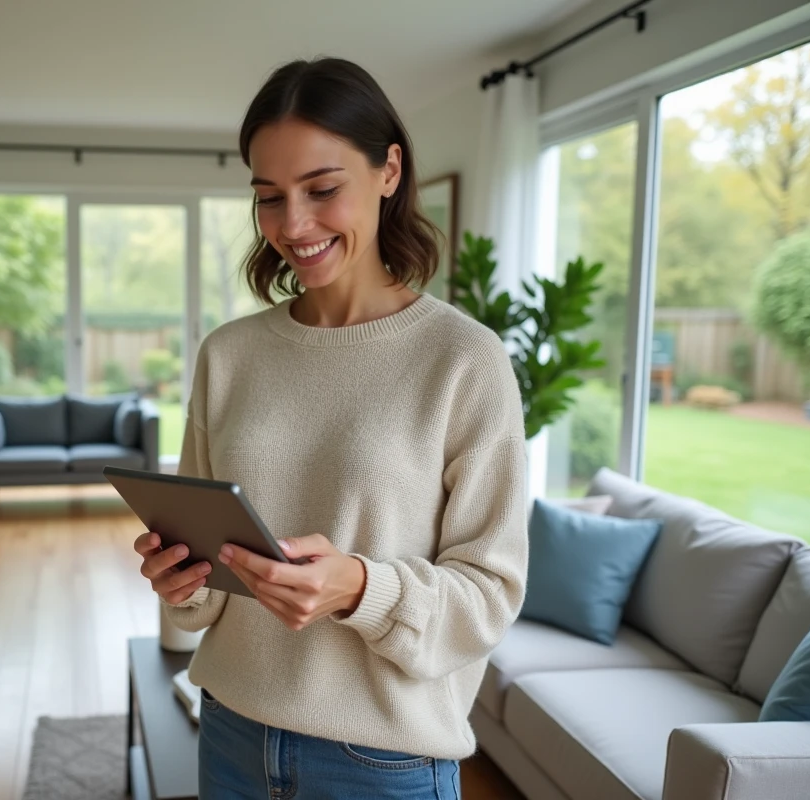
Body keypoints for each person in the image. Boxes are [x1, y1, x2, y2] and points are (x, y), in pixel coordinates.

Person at [134, 56, 528, 800]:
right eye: (269, 197)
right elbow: (203, 598)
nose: (293, 225)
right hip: (231, 732)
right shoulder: (230, 355)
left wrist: (358, 587)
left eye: (322, 190)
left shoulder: (463, 360)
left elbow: (489, 599)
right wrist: (179, 582)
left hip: (384, 762)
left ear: (389, 171)